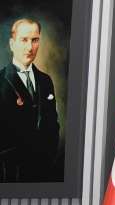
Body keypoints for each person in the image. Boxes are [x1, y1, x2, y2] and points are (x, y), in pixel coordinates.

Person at [0, 18, 59, 182]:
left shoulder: (45, 80)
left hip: (43, 173)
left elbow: (53, 126)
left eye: (35, 40)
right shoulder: (1, 81)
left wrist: (47, 160)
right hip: (10, 176)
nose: (30, 47)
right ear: (12, 44)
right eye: (24, 40)